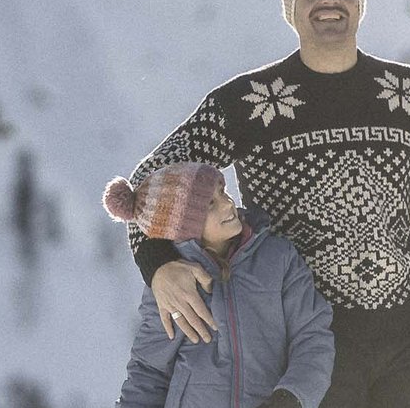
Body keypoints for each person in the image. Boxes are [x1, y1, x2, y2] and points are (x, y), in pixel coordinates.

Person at [125, 0, 410, 408]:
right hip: (307, 344)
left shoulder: (407, 94)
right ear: (290, 10)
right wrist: (158, 266)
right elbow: (146, 187)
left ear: (360, 2)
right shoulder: (249, 103)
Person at [106, 162, 334, 408]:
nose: (228, 204)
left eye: (223, 192)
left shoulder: (278, 258)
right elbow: (149, 370)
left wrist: (291, 398)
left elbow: (312, 336)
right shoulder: (171, 284)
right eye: (210, 204)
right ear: (184, 225)